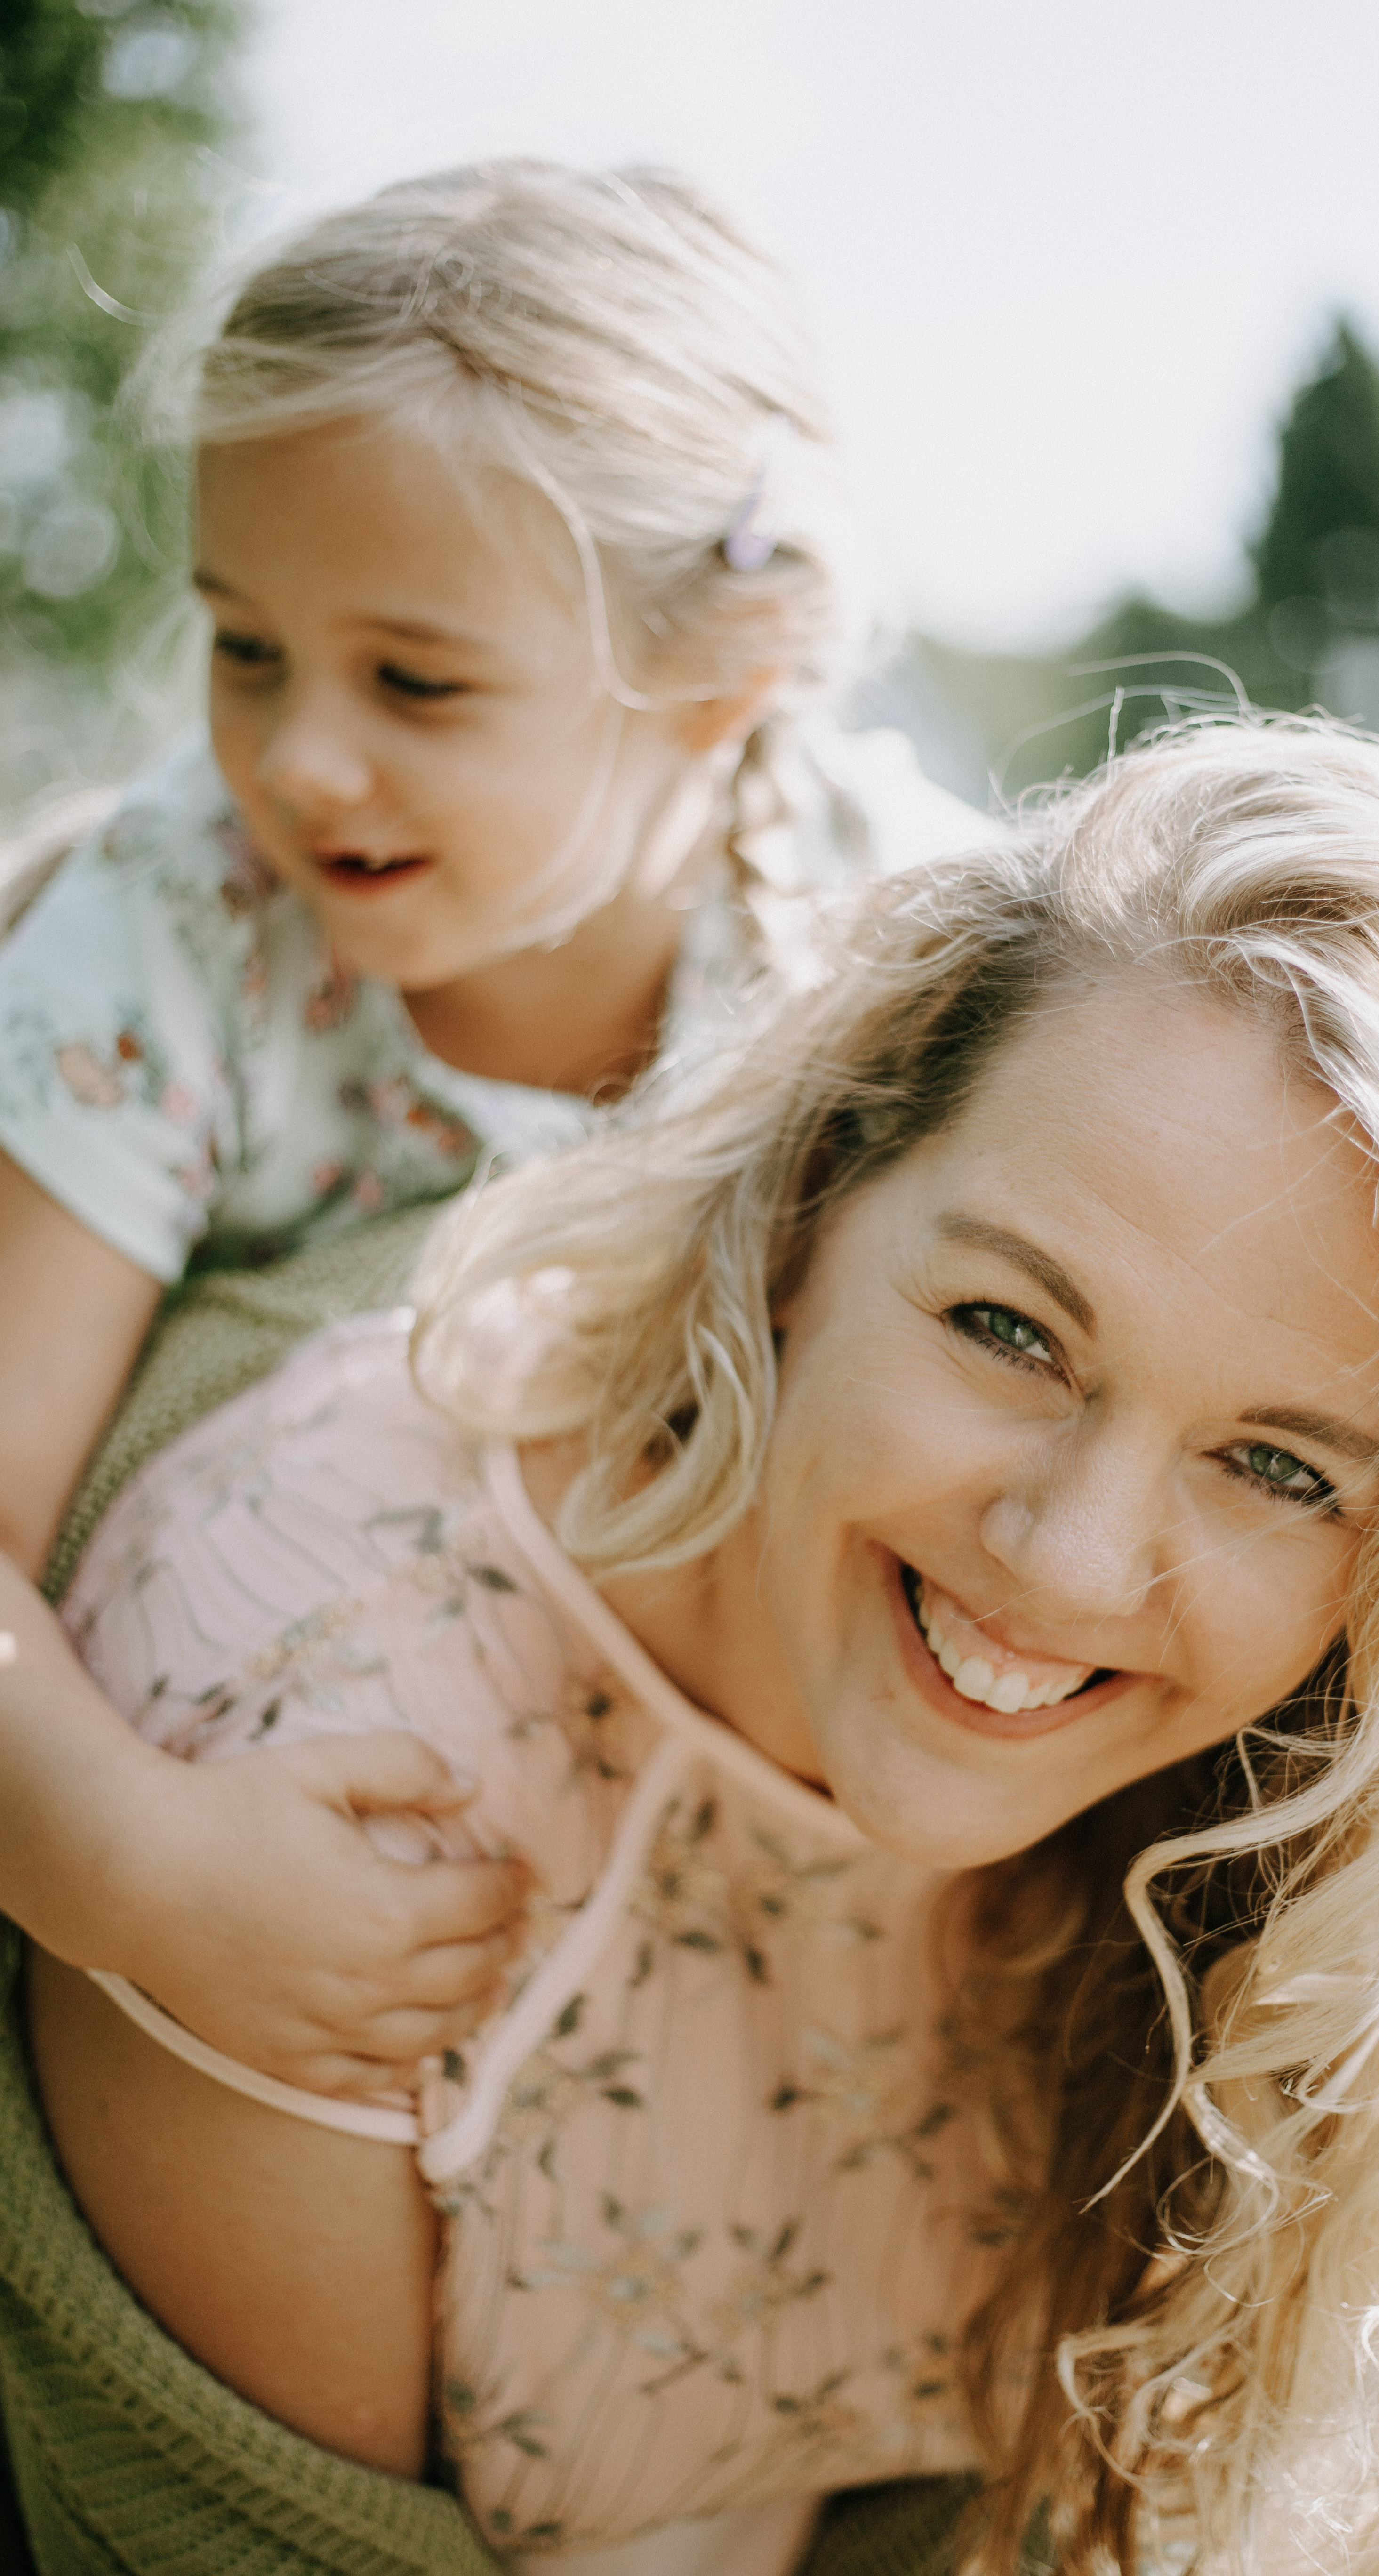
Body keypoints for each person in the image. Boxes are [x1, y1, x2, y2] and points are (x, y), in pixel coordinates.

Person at [25, 715, 1379, 2574]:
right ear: (814, 1200)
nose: (1068, 1560)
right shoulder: (319, 1766)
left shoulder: (1288, 1819)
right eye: (1008, 1329)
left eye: (1275, 1465)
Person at [0, 160, 981, 2103]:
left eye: (415, 681)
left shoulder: (902, 938)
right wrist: (131, 1867)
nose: (296, 758)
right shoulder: (176, 941)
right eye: (241, 644)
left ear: (725, 677)